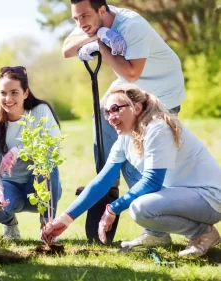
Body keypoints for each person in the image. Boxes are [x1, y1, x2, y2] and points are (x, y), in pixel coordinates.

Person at [42, 84, 221, 257]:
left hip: (209, 198)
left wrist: (113, 209)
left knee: (140, 208)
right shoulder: (125, 138)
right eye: (107, 112)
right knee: (129, 174)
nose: (110, 117)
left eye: (116, 108)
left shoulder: (157, 128)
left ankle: (202, 233)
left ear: (136, 108)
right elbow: (102, 181)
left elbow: (152, 181)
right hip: (183, 195)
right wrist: (65, 220)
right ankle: (156, 234)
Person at [62, 0, 186, 244]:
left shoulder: (132, 25)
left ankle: (157, 230)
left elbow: (131, 72)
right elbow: (66, 49)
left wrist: (101, 45)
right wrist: (97, 33)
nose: (80, 23)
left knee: (136, 155)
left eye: (85, 16)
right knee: (101, 115)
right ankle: (108, 187)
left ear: (102, 10)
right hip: (131, 89)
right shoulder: (90, 22)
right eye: (76, 19)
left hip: (163, 91)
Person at [0, 66, 63, 240]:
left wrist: (21, 150)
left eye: (14, 92)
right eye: (3, 93)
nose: (8, 98)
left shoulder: (40, 111)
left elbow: (54, 148)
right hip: (10, 187)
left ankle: (47, 226)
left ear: (25, 93)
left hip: (41, 186)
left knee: (46, 165)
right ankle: (10, 224)